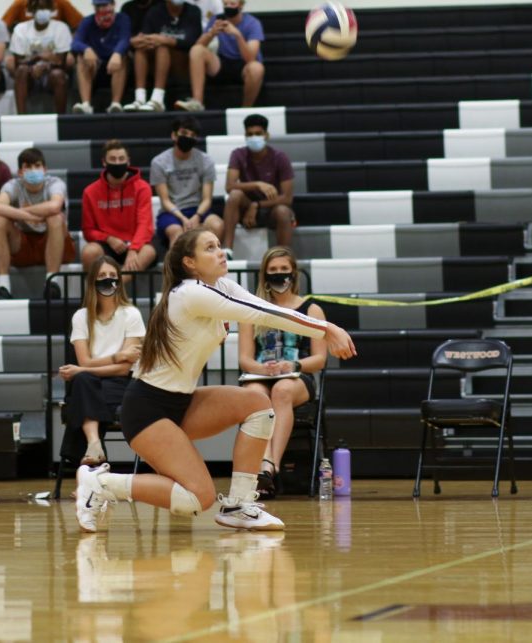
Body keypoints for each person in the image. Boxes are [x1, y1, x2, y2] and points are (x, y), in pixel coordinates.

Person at [73, 228, 356, 533]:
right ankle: (99, 483)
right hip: (147, 410)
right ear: (190, 262)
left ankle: (239, 505)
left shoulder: (220, 286)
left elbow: (265, 308)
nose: (220, 252)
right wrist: (327, 329)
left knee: (258, 405)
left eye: (220, 245)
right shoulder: (190, 294)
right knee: (199, 497)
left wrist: (323, 329)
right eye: (209, 248)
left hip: (181, 401)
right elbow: (263, 314)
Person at [238, 247, 326, 499]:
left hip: (298, 377)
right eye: (273, 270)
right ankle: (266, 468)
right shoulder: (251, 310)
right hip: (260, 374)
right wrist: (262, 368)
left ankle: (269, 465)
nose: (279, 275)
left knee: (282, 390)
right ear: (265, 275)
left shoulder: (311, 309)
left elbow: (320, 359)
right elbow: (245, 359)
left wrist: (293, 366)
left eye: (284, 270)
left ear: (293, 273)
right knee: (255, 396)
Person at [58, 256, 145, 466]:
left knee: (81, 390)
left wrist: (82, 370)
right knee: (84, 383)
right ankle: (94, 444)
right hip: (90, 384)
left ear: (120, 280)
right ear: (92, 282)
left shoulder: (131, 314)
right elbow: (85, 361)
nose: (108, 280)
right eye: (102, 276)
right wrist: (117, 356)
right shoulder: (81, 316)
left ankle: (92, 458)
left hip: (120, 385)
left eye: (113, 276)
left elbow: (124, 370)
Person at [0, 147, 75, 300]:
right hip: (24, 246)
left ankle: (52, 284)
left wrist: (25, 210)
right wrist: (26, 214)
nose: (33, 170)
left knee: (55, 217)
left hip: (54, 242)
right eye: (28, 167)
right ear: (20, 172)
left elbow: (54, 206)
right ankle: (3, 288)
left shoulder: (55, 183)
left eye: (37, 166)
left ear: (44, 169)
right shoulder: (13, 185)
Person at [222, 113, 295, 257]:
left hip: (271, 208)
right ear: (245, 136)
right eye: (250, 134)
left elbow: (287, 198)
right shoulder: (238, 154)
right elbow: (229, 186)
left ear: (266, 135)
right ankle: (227, 250)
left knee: (283, 211)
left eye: (258, 133)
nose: (254, 137)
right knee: (235, 195)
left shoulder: (280, 157)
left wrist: (256, 205)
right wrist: (257, 184)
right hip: (245, 208)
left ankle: (283, 257)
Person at [80, 140, 157, 275]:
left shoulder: (142, 187)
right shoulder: (90, 191)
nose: (117, 163)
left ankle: (115, 291)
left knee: (148, 252)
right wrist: (108, 239)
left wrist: (134, 248)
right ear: (104, 162)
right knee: (89, 252)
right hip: (108, 244)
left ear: (128, 161)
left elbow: (144, 224)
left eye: (121, 159)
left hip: (135, 243)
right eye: (112, 159)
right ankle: (95, 293)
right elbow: (88, 230)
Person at [175, 0, 264, 111]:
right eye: (225, 4)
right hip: (222, 62)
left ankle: (246, 109)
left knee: (256, 68)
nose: (228, 7)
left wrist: (237, 35)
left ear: (241, 5)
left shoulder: (253, 23)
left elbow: (250, 58)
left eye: (232, 4)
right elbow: (197, 47)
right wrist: (211, 33)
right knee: (197, 51)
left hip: (244, 66)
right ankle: (197, 102)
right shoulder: (218, 19)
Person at [150, 115, 222, 248]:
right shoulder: (159, 162)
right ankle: (176, 268)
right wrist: (183, 219)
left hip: (198, 208)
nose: (188, 138)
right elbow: (165, 201)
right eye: (184, 133)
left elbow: (207, 199)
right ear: (174, 135)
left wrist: (197, 216)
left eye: (192, 135)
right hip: (172, 212)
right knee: (177, 234)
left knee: (216, 225)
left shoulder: (206, 160)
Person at [123, 0, 201, 112]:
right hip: (159, 62)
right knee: (142, 49)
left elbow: (193, 41)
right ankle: (139, 98)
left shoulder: (193, 11)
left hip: (184, 62)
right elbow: (146, 35)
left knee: (163, 46)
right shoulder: (155, 11)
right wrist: (142, 40)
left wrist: (166, 40)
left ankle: (157, 99)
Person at [8, 0, 73, 115]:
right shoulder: (21, 29)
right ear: (31, 11)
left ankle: (61, 119)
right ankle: (21, 118)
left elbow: (61, 62)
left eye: (45, 8)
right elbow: (18, 62)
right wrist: (38, 57)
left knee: (58, 75)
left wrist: (44, 66)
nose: (42, 11)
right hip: (29, 74)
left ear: (52, 10)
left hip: (51, 75)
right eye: (38, 8)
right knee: (21, 71)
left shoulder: (61, 28)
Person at [70, 0, 131, 114]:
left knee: (123, 57)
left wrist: (117, 53)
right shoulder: (87, 22)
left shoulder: (123, 19)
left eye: (105, 5)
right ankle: (86, 105)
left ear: (113, 4)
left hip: (115, 69)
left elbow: (125, 39)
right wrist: (86, 49)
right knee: (81, 58)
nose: (103, 9)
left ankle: (115, 104)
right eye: (99, 6)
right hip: (95, 68)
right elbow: (75, 43)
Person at [2, 0, 84, 31]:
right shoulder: (20, 3)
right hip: (27, 44)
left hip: (55, 43)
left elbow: (80, 26)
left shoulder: (62, 3)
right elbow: (3, 27)